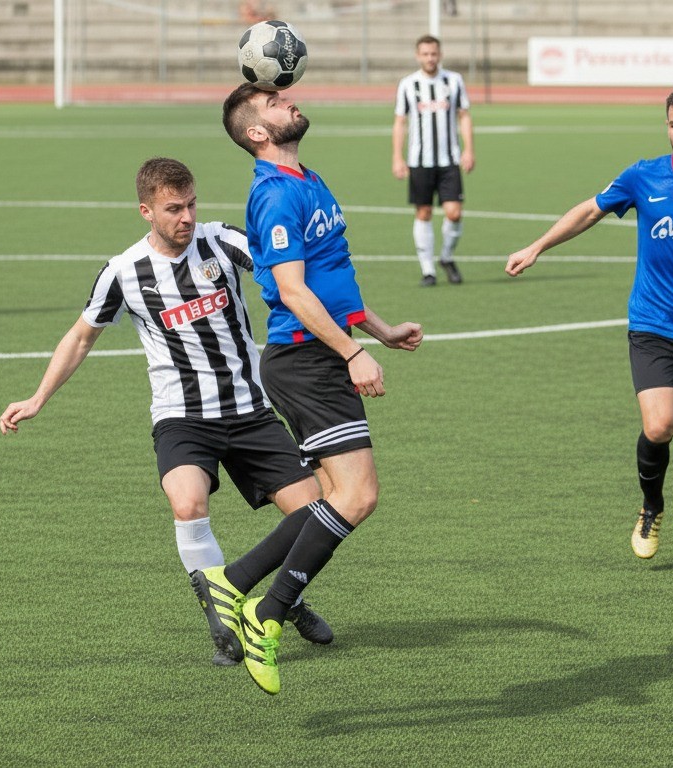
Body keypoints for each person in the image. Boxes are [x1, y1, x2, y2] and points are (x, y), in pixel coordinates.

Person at [0, 156, 336, 667]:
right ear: (146, 211)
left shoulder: (221, 241)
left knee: (315, 512)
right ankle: (223, 623)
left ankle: (286, 602)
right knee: (187, 504)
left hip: (250, 408)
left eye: (192, 204)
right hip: (182, 417)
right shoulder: (122, 272)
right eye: (173, 209)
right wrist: (38, 396)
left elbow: (285, 269)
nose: (186, 217)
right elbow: (81, 336)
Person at [203, 82, 423, 695]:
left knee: (331, 498)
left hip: (319, 352)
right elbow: (295, 291)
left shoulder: (308, 177)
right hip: (306, 360)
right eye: (275, 103)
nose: (289, 102)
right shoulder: (272, 195)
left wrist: (379, 329)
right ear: (257, 132)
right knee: (357, 496)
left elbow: (331, 272)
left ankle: (235, 579)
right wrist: (353, 352)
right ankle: (266, 615)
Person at [505, 84, 673, 560]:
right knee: (659, 427)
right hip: (655, 327)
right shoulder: (644, 177)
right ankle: (652, 507)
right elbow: (591, 210)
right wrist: (537, 246)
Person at [392, 34, 475, 287]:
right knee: (424, 212)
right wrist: (397, 156)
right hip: (419, 160)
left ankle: (447, 257)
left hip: (449, 159)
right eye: (425, 54)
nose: (430, 58)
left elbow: (464, 116)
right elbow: (400, 122)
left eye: (434, 53)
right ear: (418, 56)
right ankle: (428, 270)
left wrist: (469, 149)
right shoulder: (408, 84)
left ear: (440, 54)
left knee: (454, 212)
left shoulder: (453, 81)